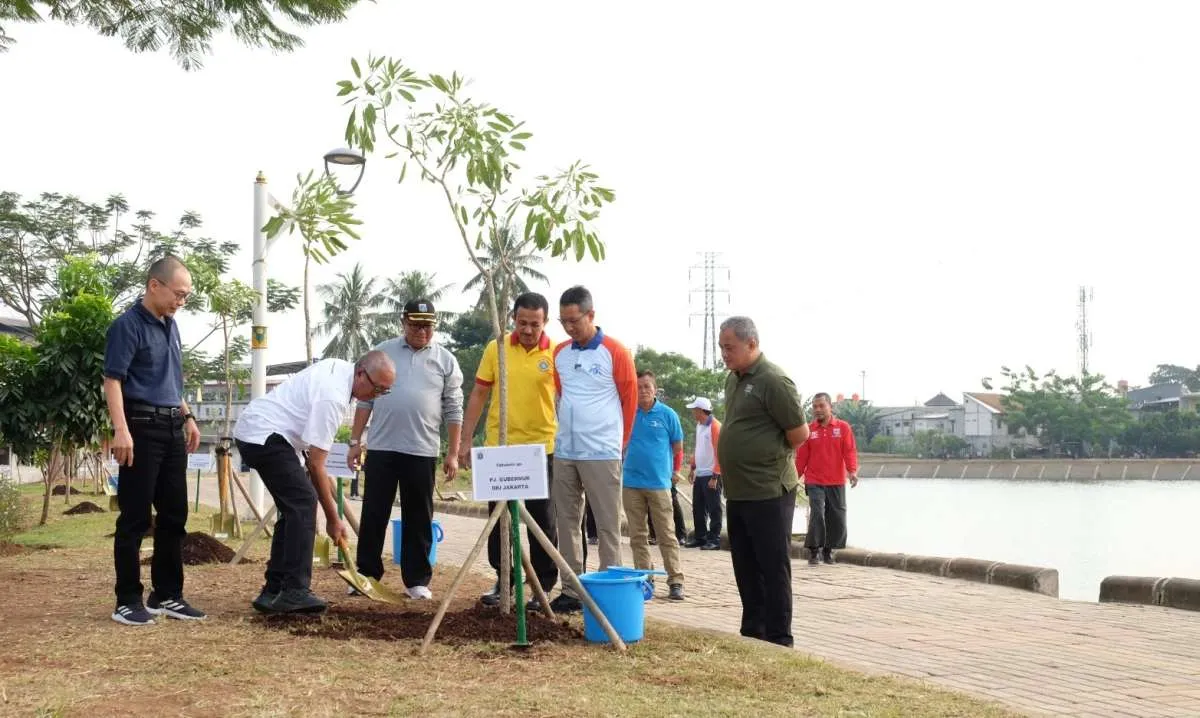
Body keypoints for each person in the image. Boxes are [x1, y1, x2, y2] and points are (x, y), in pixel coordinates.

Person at [234, 352, 396, 614]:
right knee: (303, 502)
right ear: (360, 374)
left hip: (267, 434)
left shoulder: (340, 370)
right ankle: (295, 592)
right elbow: (317, 465)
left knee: (293, 508)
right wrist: (333, 519)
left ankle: (273, 590)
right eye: (377, 388)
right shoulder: (333, 396)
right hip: (263, 434)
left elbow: (313, 456)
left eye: (384, 392)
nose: (376, 396)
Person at [103, 256, 205, 626]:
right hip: (141, 427)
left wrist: (188, 417)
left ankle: (167, 594)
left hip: (172, 426)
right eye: (178, 294)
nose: (182, 301)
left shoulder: (171, 326)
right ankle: (127, 599)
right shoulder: (126, 326)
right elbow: (112, 380)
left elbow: (171, 381)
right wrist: (121, 430)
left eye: (186, 296)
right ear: (154, 285)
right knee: (135, 517)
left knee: (175, 515)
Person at [347, 299, 463, 600]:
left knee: (419, 516)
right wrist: (355, 442)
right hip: (382, 447)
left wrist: (453, 452)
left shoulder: (445, 360)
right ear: (403, 322)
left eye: (427, 326)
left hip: (422, 449)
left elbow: (453, 408)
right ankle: (366, 574)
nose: (422, 331)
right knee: (374, 512)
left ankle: (417, 580)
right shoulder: (383, 352)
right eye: (415, 325)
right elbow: (365, 400)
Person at [458, 292, 559, 609]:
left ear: (545, 322)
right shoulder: (496, 347)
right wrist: (465, 440)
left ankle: (542, 587)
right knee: (499, 519)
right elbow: (479, 393)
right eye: (522, 322)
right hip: (499, 448)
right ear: (512, 318)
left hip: (541, 448)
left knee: (543, 520)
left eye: (535, 324)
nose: (528, 330)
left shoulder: (556, 352)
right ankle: (504, 580)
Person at [716, 316, 809, 647]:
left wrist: (764, 456)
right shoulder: (733, 380)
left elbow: (799, 433)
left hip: (769, 489)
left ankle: (779, 637)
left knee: (773, 565)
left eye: (730, 347)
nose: (724, 354)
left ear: (752, 344)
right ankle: (753, 631)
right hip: (739, 490)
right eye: (721, 347)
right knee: (744, 564)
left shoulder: (774, 380)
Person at [549, 286, 637, 613]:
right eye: (564, 321)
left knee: (607, 525)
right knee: (567, 522)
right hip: (566, 452)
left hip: (602, 452)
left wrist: (620, 444)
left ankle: (609, 589)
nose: (569, 327)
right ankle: (571, 590)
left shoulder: (615, 351)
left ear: (591, 315)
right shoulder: (560, 353)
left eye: (575, 320)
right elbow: (562, 395)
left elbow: (630, 402)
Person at [622, 370, 686, 600]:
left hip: (659, 484)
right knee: (637, 535)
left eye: (647, 386)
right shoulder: (627, 413)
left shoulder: (668, 415)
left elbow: (677, 446)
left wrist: (674, 471)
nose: (643, 391)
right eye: (638, 387)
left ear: (655, 389)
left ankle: (676, 580)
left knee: (666, 533)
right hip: (631, 483)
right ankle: (645, 578)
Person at [795, 392, 859, 566]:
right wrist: (794, 478)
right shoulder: (809, 430)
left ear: (830, 407)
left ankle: (828, 550)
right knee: (817, 513)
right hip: (814, 480)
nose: (818, 409)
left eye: (822, 406)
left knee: (836, 516)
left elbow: (849, 451)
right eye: (815, 407)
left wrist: (852, 471)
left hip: (836, 480)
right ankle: (814, 551)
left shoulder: (843, 428)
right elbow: (801, 457)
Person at [684, 396, 723, 550]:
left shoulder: (715, 426)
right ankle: (700, 537)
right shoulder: (699, 425)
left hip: (711, 474)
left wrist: (715, 476)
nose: (692, 412)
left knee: (714, 508)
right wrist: (692, 467)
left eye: (694, 410)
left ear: (700, 410)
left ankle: (714, 539)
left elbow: (719, 452)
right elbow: (698, 447)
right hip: (700, 473)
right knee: (698, 507)